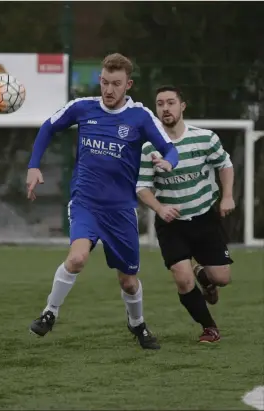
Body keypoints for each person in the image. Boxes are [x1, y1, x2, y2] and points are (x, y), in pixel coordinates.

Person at [26, 55, 179, 350]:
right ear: (100, 80)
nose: (109, 90)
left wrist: (168, 161)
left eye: (116, 84)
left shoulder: (140, 116)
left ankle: (137, 323)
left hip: (121, 210)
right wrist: (34, 165)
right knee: (77, 258)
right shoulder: (83, 108)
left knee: (128, 282)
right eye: (105, 82)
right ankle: (49, 313)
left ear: (128, 85)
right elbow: (48, 127)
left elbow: (170, 148)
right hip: (86, 203)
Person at [137, 85, 235, 343]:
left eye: (171, 102)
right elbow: (142, 187)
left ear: (183, 106)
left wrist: (227, 196)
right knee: (182, 279)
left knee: (222, 278)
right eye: (160, 104)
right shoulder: (149, 147)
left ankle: (206, 276)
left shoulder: (205, 138)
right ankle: (209, 327)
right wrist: (159, 208)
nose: (165, 108)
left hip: (204, 217)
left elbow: (224, 165)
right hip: (171, 224)